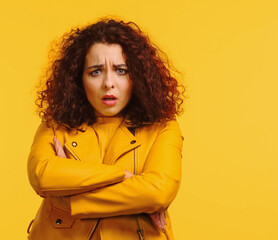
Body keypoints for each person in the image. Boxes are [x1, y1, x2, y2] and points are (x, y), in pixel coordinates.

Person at [27, 18, 184, 240]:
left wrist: (69, 196)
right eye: (95, 71)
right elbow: (41, 175)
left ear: (137, 77)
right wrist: (125, 177)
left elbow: (158, 192)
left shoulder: (163, 127)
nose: (108, 83)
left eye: (121, 70)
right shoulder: (55, 125)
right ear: (78, 78)